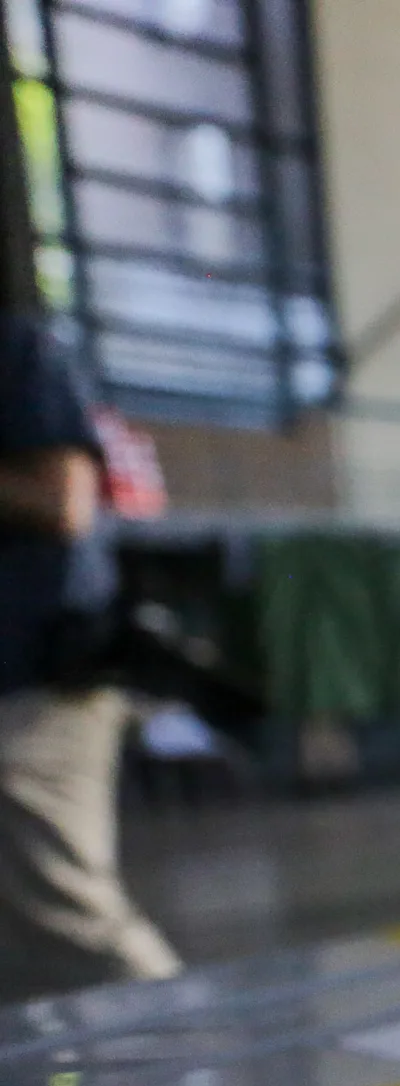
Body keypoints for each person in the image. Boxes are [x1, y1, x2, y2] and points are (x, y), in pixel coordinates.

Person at [0, 313, 178, 1004]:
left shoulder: (17, 351)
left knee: (69, 917)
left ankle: (203, 1075)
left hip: (33, 689)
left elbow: (61, 500)